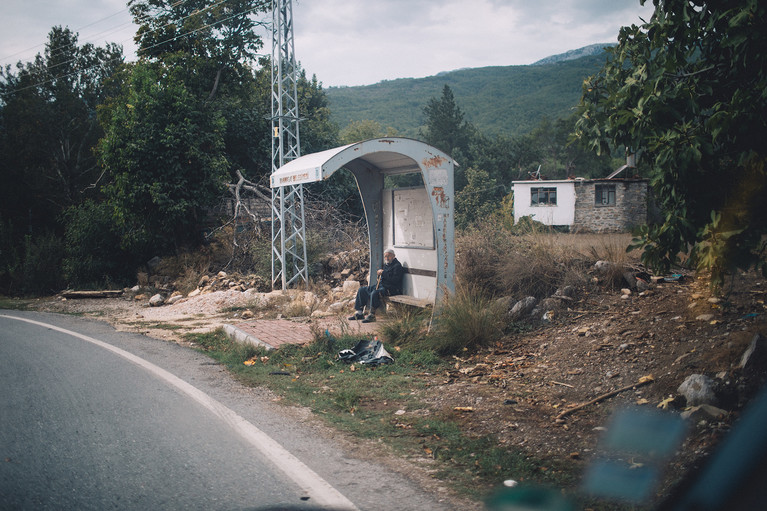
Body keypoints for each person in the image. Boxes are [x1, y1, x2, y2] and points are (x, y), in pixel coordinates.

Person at [348, 248, 404, 323]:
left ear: (393, 256)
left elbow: (394, 280)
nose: (387, 258)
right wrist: (379, 275)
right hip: (382, 286)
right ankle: (360, 313)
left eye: (389, 256)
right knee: (362, 290)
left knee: (375, 293)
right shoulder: (387, 264)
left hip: (391, 289)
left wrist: (383, 273)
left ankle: (372, 315)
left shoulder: (397, 266)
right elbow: (383, 277)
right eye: (385, 256)